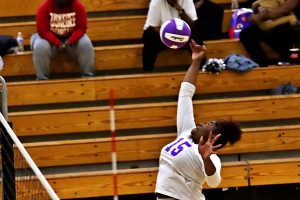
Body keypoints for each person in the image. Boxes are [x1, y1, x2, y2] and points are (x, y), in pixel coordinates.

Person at [155, 40, 243, 200]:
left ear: (214, 137)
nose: (202, 123)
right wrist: (196, 61)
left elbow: (214, 182)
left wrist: (206, 158)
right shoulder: (186, 131)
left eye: (208, 125)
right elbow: (185, 94)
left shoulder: (210, 158)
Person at [30, 0, 95, 80]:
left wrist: (71, 40)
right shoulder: (44, 7)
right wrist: (57, 43)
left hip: (70, 39)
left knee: (86, 44)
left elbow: (81, 28)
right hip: (49, 40)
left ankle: (88, 78)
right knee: (40, 47)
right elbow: (43, 31)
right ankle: (42, 80)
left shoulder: (78, 6)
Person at [142, 0, 206, 73]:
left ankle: (201, 69)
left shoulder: (187, 1)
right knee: (149, 39)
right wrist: (169, 34)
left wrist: (180, 10)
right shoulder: (156, 2)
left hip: (182, 33)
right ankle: (147, 72)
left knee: (196, 38)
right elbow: (153, 26)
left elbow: (192, 23)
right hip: (160, 32)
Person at [239, 0, 300, 67]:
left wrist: (261, 16)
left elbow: (286, 9)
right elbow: (257, 2)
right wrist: (259, 7)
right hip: (273, 19)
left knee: (273, 32)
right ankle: (262, 63)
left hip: (293, 21)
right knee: (246, 34)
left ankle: (289, 59)